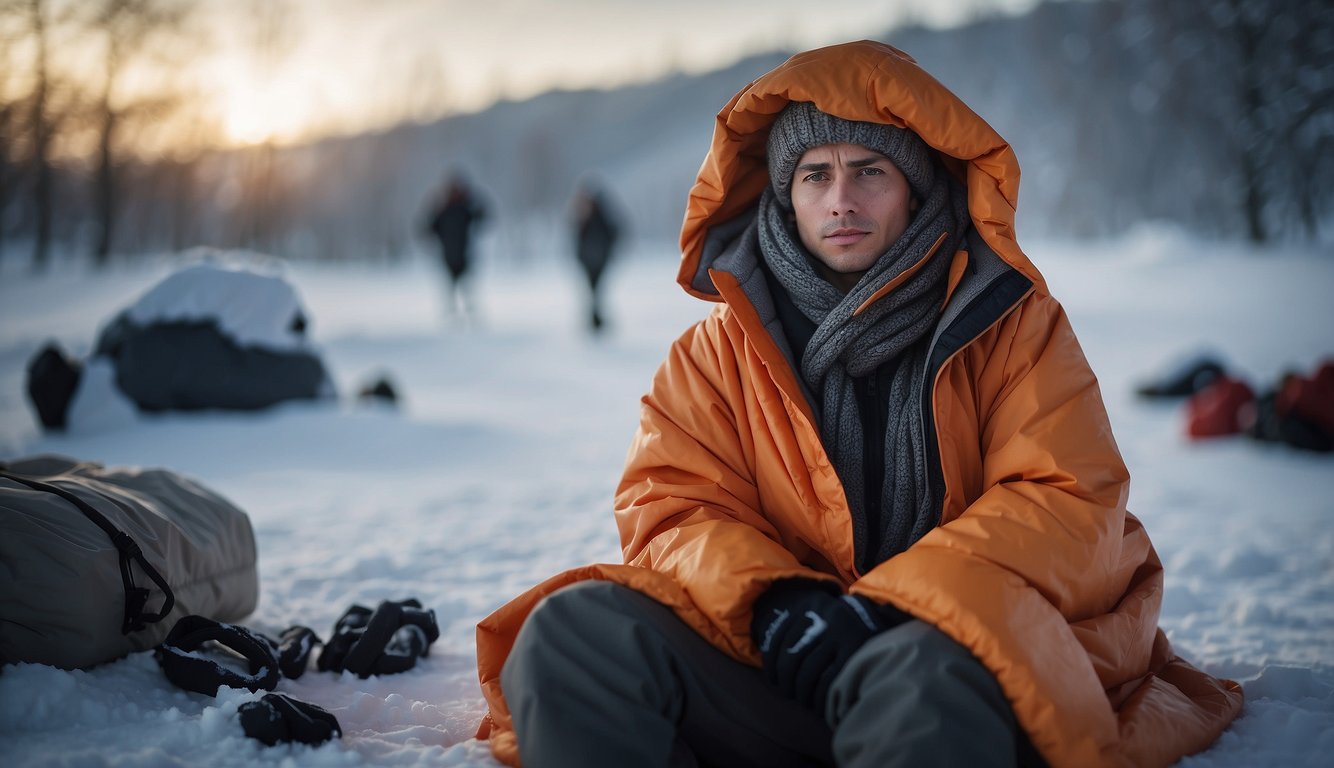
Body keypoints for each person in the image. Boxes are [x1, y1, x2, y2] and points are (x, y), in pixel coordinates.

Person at [474, 41, 1243, 768]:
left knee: (920, 679)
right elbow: (673, 510)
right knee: (572, 634)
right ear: (787, 195)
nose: (840, 199)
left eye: (868, 170)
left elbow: (1068, 504)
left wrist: (894, 610)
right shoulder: (714, 354)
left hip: (956, 658)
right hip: (781, 658)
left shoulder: (1015, 326)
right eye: (814, 174)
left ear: (916, 185)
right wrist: (777, 607)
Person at [425, 172, 487, 321]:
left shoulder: (465, 209)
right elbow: (429, 228)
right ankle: (452, 311)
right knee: (451, 284)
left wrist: (472, 201)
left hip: (464, 253)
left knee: (466, 284)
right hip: (449, 253)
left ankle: (469, 310)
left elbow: (483, 216)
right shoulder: (443, 210)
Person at [571, 182, 622, 331]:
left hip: (599, 261)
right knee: (593, 291)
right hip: (588, 262)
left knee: (596, 291)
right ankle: (595, 320)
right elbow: (577, 239)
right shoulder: (583, 218)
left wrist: (607, 251)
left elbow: (614, 234)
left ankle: (596, 321)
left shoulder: (601, 218)